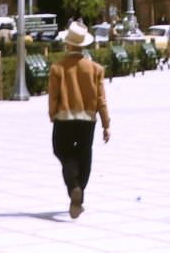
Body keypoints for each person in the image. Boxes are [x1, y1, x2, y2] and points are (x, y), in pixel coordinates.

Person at [48, 21, 110, 219]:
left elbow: (53, 96)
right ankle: (79, 192)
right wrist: (106, 124)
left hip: (64, 118)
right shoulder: (95, 69)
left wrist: (52, 114)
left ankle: (74, 187)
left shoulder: (58, 68)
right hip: (87, 119)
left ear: (68, 44)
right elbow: (101, 99)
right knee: (84, 154)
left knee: (61, 150)